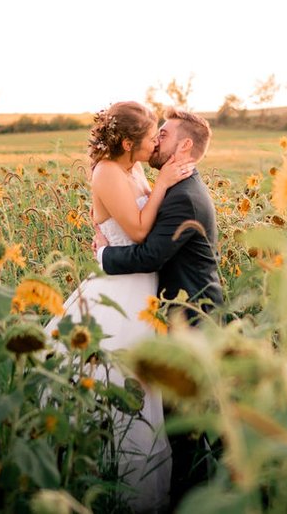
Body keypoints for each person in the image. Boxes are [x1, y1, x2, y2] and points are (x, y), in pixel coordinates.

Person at [49, 101, 193, 513]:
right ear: (128, 142)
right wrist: (164, 181)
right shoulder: (107, 172)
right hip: (120, 293)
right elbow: (138, 229)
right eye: (151, 138)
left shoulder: (132, 167)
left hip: (141, 287)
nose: (156, 144)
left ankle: (140, 491)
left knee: (140, 387)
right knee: (121, 380)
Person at [94, 107, 223, 509]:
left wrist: (103, 258)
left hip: (189, 314)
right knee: (146, 402)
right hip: (152, 303)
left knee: (183, 422)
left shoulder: (184, 195)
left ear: (184, 146)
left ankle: (193, 497)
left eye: (162, 135)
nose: (156, 141)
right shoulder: (165, 182)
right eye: (153, 135)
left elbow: (147, 252)